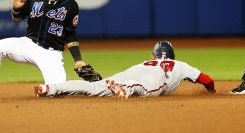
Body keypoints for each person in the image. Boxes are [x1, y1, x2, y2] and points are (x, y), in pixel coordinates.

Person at [0, 0, 101, 84]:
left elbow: (70, 34)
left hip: (51, 54)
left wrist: (78, 59)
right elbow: (17, 18)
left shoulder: (70, 5)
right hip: (28, 45)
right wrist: (16, 9)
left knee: (57, 89)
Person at [34, 41, 216, 99]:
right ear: (172, 55)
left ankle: (50, 88)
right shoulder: (180, 65)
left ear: (153, 56)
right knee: (144, 88)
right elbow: (206, 79)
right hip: (156, 77)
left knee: (95, 86)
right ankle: (125, 89)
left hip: (135, 70)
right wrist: (211, 91)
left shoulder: (146, 61)